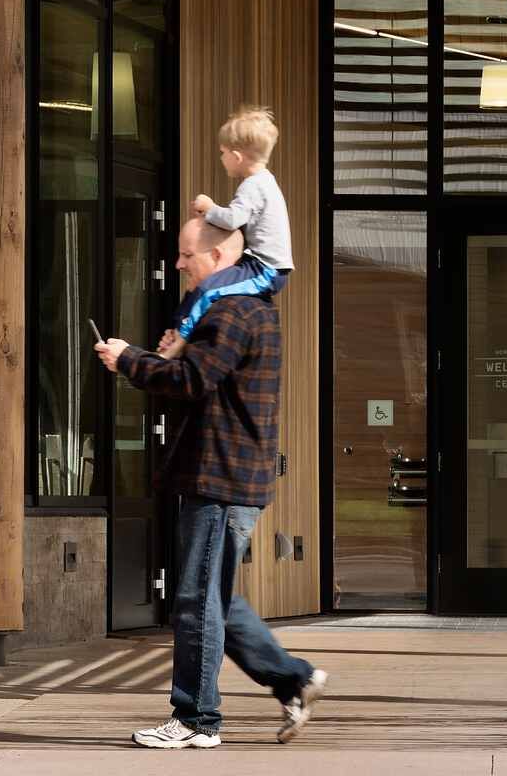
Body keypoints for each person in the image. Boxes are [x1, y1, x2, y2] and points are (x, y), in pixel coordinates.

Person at [95, 217, 327, 750]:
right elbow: (199, 380)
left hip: (221, 477)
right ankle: (291, 677)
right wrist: (156, 357)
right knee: (213, 596)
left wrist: (131, 360)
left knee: (196, 599)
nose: (179, 265)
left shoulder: (232, 312)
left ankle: (197, 719)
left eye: (186, 255)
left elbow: (193, 380)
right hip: (227, 474)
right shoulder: (239, 308)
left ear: (219, 257)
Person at [174, 108, 294, 342]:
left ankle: (180, 339)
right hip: (261, 266)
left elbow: (232, 219)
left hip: (265, 269)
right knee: (205, 287)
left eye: (223, 152)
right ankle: (178, 329)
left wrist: (208, 207)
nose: (221, 158)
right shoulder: (266, 182)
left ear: (237, 156)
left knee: (208, 290)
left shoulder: (253, 185)